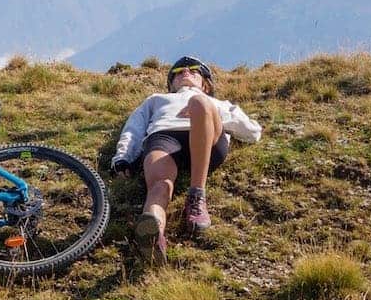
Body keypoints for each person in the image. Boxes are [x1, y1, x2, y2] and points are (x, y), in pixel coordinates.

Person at [110, 56, 261, 266]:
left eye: (193, 70)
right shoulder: (156, 99)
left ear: (206, 84)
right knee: (159, 187)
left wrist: (203, 111)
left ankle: (196, 196)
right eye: (178, 71)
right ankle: (152, 235)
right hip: (164, 136)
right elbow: (133, 129)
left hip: (207, 142)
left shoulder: (217, 103)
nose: (185, 72)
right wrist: (123, 158)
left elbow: (253, 131)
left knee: (198, 102)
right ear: (171, 84)